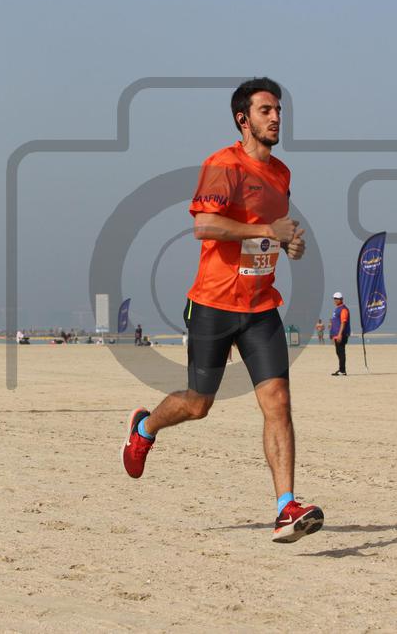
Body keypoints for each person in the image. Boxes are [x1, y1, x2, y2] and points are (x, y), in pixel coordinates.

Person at [122, 77, 324, 543]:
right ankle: (144, 427)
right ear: (243, 119)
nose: (276, 117)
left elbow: (271, 232)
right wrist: (269, 231)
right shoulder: (223, 165)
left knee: (278, 402)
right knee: (198, 404)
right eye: (266, 110)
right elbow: (206, 225)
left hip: (261, 306)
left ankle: (286, 507)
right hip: (213, 304)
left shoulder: (281, 173)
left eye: (279, 110)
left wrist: (289, 243)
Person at [330, 292, 350, 376]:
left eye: (337, 299)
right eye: (334, 298)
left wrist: (340, 334)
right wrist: (332, 334)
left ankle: (342, 370)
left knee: (341, 352)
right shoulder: (337, 309)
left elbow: (343, 322)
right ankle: (341, 369)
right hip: (336, 335)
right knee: (338, 352)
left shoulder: (343, 309)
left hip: (341, 335)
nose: (335, 300)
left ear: (341, 299)